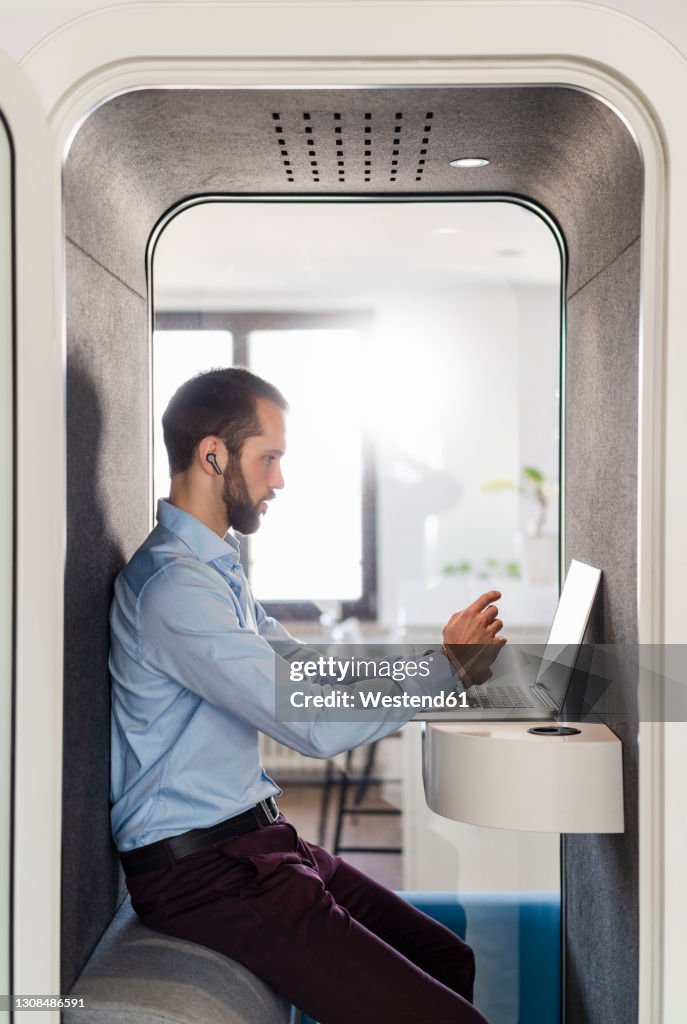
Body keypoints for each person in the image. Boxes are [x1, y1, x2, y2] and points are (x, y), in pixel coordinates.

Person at [110, 367, 506, 1024]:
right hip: (206, 876)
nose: (279, 481)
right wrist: (445, 671)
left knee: (444, 958)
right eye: (269, 458)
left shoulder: (215, 571)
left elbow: (310, 676)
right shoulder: (173, 590)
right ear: (213, 455)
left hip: (259, 844)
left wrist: (442, 665)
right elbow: (311, 723)